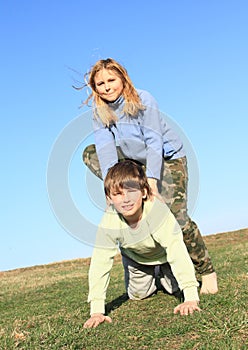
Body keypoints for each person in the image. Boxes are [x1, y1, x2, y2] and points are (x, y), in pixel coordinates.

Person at [79, 57, 218, 294]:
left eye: (111, 80)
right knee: (90, 152)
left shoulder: (144, 99)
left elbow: (155, 142)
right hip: (134, 162)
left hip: (167, 158)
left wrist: (151, 183)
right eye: (100, 83)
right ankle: (146, 265)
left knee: (177, 217)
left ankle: (206, 272)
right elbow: (105, 149)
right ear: (95, 88)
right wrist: (112, 190)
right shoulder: (99, 112)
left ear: (123, 78)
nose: (107, 87)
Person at [83, 160, 201, 328]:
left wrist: (190, 297)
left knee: (174, 289)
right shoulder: (109, 220)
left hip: (164, 257)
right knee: (138, 295)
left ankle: (162, 273)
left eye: (131, 191)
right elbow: (100, 262)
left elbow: (176, 250)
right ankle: (151, 275)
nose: (125, 199)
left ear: (145, 192)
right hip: (136, 259)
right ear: (109, 198)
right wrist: (97, 311)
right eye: (117, 194)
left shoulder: (156, 212)